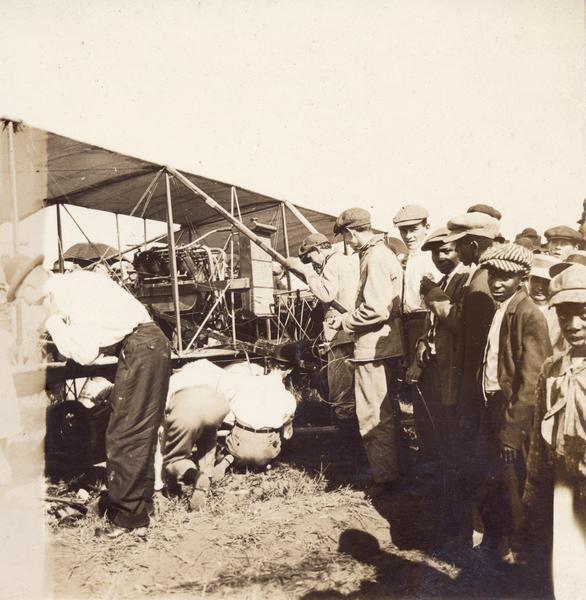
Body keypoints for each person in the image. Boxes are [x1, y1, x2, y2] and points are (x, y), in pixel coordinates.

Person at [6, 256, 171, 538]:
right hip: (147, 345)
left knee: (124, 434)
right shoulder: (77, 283)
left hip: (141, 346)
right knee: (137, 431)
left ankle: (129, 519)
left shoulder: (67, 295)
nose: (25, 302)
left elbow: (85, 353)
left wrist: (52, 319)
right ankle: (139, 508)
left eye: (21, 295)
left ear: (30, 285)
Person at [474, 243, 551, 563]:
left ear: (522, 277)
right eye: (493, 274)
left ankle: (521, 554)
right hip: (493, 406)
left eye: (506, 276)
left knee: (515, 481)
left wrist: (513, 430)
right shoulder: (502, 308)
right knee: (496, 478)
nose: (497, 282)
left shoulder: (528, 315)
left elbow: (531, 381)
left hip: (512, 413)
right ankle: (500, 545)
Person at [328, 208, 404, 493]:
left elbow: (376, 308)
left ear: (350, 233)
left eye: (346, 237)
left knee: (373, 415)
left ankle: (385, 479)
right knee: (386, 412)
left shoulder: (374, 259)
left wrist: (345, 320)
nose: (348, 243)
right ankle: (394, 471)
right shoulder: (384, 255)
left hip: (373, 349)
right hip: (386, 346)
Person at [524, 264, 586, 599]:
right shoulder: (553, 367)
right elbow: (538, 434)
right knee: (569, 565)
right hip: (566, 483)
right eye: (564, 315)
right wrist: (534, 485)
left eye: (584, 314)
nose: (573, 325)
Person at [162, 360, 297, 510]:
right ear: (288, 370)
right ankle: (207, 474)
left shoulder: (175, 379)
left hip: (187, 406)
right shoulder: (210, 367)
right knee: (208, 438)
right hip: (215, 403)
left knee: (173, 458)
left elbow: (163, 411)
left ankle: (190, 477)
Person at [284, 233, 360, 439]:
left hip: (340, 335)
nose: (312, 263)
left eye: (310, 258)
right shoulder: (348, 261)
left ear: (317, 250)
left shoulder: (332, 264)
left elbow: (326, 293)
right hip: (353, 332)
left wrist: (306, 271)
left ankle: (349, 447)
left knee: (341, 392)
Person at [415, 228, 469, 460]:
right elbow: (435, 322)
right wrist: (422, 340)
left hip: (454, 366)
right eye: (435, 254)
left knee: (453, 428)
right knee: (437, 424)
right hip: (437, 364)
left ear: (460, 250)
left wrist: (433, 293)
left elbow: (459, 323)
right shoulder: (444, 281)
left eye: (446, 251)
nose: (440, 258)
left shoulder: (464, 279)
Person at [528, 253, 566, 353]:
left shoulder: (557, 312)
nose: (540, 287)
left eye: (546, 282)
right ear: (528, 280)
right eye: (536, 280)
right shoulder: (520, 306)